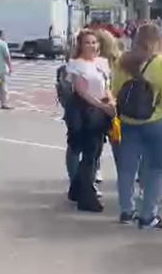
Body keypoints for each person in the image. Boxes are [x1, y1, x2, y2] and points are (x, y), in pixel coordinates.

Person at [112, 23, 162, 229]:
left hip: (129, 121)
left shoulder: (123, 61)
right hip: (157, 121)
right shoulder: (161, 62)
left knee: (127, 168)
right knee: (158, 167)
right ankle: (148, 214)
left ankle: (126, 210)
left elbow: (115, 90)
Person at [64, 30, 113, 212]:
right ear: (80, 46)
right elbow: (82, 92)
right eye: (87, 43)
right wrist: (102, 106)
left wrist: (110, 102)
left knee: (95, 152)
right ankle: (86, 196)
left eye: (94, 42)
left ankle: (77, 189)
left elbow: (106, 86)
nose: (92, 46)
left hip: (101, 109)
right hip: (85, 111)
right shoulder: (76, 64)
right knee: (89, 154)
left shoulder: (102, 63)